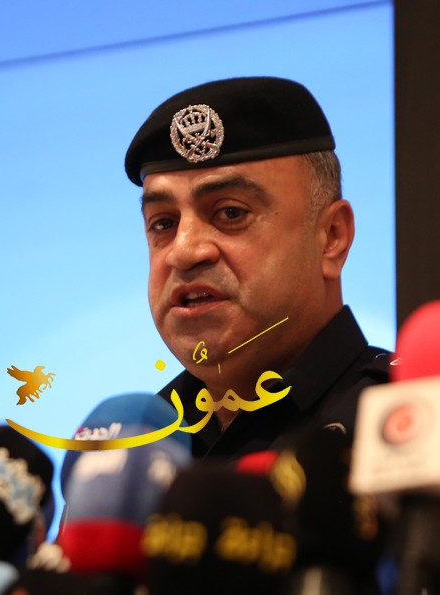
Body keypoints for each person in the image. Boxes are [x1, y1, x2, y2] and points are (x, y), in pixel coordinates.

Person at [124, 76, 390, 460]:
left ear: (332, 237)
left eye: (231, 213)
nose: (183, 251)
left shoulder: (408, 426)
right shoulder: (136, 451)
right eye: (163, 223)